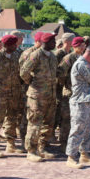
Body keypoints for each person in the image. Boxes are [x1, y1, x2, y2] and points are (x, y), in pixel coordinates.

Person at [20, 33, 57, 162]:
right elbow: (24, 72)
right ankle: (31, 151)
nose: (55, 43)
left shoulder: (53, 56)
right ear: (46, 42)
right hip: (36, 96)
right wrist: (32, 83)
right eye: (53, 41)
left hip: (50, 96)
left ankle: (41, 148)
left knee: (48, 123)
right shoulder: (35, 55)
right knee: (34, 123)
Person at [65, 45, 90, 169]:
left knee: (86, 130)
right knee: (77, 129)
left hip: (86, 101)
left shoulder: (87, 65)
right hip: (79, 102)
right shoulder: (82, 65)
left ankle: (84, 154)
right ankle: (71, 157)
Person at [56, 37, 86, 152]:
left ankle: (74, 143)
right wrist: (66, 85)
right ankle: (63, 142)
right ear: (75, 46)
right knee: (66, 119)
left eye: (84, 45)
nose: (83, 47)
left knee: (77, 119)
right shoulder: (69, 58)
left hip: (79, 93)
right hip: (69, 92)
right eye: (81, 45)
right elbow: (60, 74)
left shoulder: (83, 58)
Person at [18, 31, 43, 151]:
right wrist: (30, 81)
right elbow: (22, 72)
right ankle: (24, 141)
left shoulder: (43, 53)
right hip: (26, 89)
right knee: (26, 116)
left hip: (38, 90)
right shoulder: (28, 53)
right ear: (37, 41)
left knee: (36, 117)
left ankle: (35, 142)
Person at [54, 33, 76, 143]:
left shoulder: (70, 53)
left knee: (61, 111)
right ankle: (52, 134)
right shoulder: (59, 53)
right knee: (57, 110)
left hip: (65, 85)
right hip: (58, 86)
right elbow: (57, 71)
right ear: (67, 41)